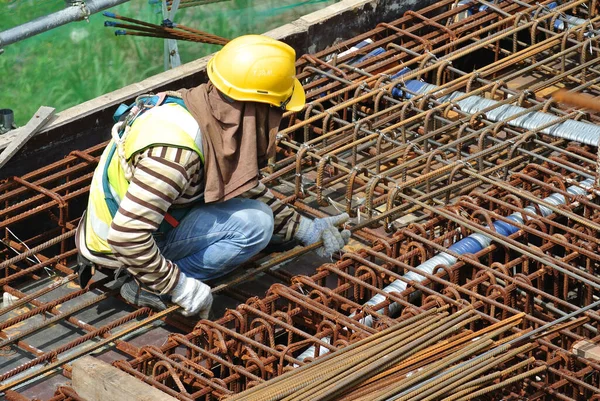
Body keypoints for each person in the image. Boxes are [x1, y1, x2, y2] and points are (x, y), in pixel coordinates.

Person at [75, 35, 350, 318]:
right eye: (278, 109)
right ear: (257, 107)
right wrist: (178, 286)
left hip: (160, 220)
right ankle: (148, 286)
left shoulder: (208, 112)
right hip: (121, 249)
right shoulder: (176, 155)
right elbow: (127, 237)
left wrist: (303, 229)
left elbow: (236, 183)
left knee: (260, 218)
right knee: (255, 225)